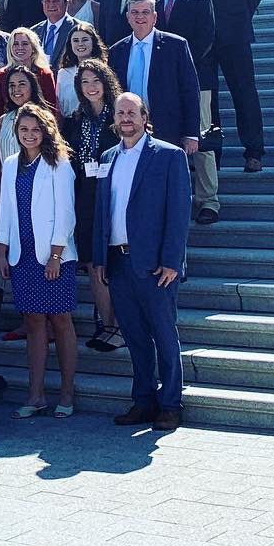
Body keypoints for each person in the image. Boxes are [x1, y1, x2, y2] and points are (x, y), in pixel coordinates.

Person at [92, 92, 192, 430]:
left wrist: (172, 260)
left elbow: (179, 212)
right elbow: (102, 211)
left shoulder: (169, 155)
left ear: (144, 115)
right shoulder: (107, 157)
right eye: (120, 113)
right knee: (134, 336)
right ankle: (143, 400)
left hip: (155, 265)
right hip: (118, 262)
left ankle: (170, 403)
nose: (125, 119)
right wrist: (100, 257)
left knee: (163, 334)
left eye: (132, 112)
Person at [0, 103, 79, 417]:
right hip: (22, 255)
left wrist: (56, 255)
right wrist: (2, 251)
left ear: (45, 130)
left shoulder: (58, 161)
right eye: (23, 130)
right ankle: (36, 395)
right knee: (32, 321)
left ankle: (67, 394)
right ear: (16, 133)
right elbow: (5, 209)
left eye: (35, 129)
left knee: (60, 320)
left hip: (54, 256)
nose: (29, 135)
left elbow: (66, 213)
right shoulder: (10, 163)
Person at [184, 0, 266, 172]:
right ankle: (212, 155)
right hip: (202, 40)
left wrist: (239, 19)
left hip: (234, 35)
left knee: (244, 92)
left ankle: (253, 150)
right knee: (208, 99)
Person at [62, 59, 123, 352]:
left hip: (113, 193)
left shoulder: (119, 116)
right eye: (84, 82)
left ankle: (121, 326)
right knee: (92, 261)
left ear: (106, 82)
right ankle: (107, 326)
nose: (90, 87)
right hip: (84, 196)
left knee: (113, 261)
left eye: (95, 81)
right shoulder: (74, 119)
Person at [156, 0, 219, 222]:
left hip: (196, 82)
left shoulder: (199, 0)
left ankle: (208, 200)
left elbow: (204, 41)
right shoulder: (153, 3)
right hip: (160, 85)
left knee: (200, 141)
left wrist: (177, 69)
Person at [109, 0, 201, 154]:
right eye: (135, 12)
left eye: (145, 12)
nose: (140, 17)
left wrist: (191, 133)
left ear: (155, 17)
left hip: (167, 130)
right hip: (128, 129)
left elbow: (190, 91)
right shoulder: (117, 51)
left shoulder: (176, 46)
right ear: (128, 17)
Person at [0, 28, 57, 124]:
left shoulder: (44, 74)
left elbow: (51, 108)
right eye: (16, 44)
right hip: (9, 128)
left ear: (33, 47)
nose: (20, 47)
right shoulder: (1, 75)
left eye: (25, 44)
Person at [54, 21, 107, 116]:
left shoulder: (104, 70)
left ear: (93, 42)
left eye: (85, 40)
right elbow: (59, 106)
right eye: (75, 40)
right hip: (69, 124)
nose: (80, 44)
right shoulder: (63, 73)